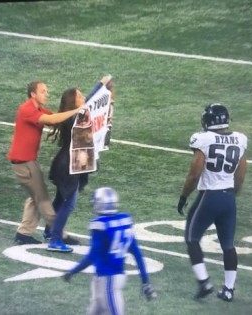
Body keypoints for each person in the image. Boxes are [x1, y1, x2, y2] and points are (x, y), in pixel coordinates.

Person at [177, 103, 248, 302]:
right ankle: (228, 289)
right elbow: (241, 174)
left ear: (207, 121)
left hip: (209, 196)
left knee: (192, 238)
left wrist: (183, 196)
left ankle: (204, 283)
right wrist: (233, 193)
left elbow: (194, 173)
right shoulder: (240, 139)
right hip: (228, 198)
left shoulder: (203, 139)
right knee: (228, 245)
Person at [8, 80, 84, 245]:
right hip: (24, 164)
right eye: (43, 91)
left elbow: (57, 118)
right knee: (42, 199)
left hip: (27, 162)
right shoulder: (27, 109)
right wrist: (77, 110)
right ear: (33, 94)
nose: (46, 94)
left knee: (35, 198)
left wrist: (75, 111)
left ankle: (23, 233)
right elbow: (52, 120)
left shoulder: (38, 108)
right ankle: (58, 233)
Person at [63, 187, 156, 314]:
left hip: (107, 281)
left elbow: (92, 256)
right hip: (111, 279)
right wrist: (145, 281)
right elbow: (138, 254)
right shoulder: (124, 221)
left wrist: (73, 271)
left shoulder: (100, 224)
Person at [46, 76, 112, 252]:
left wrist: (101, 85)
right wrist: (100, 84)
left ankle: (49, 229)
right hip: (68, 166)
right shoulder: (72, 118)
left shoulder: (76, 115)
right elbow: (89, 102)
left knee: (61, 199)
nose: (83, 98)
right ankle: (55, 239)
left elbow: (90, 101)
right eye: (80, 96)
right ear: (73, 102)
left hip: (68, 164)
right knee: (69, 202)